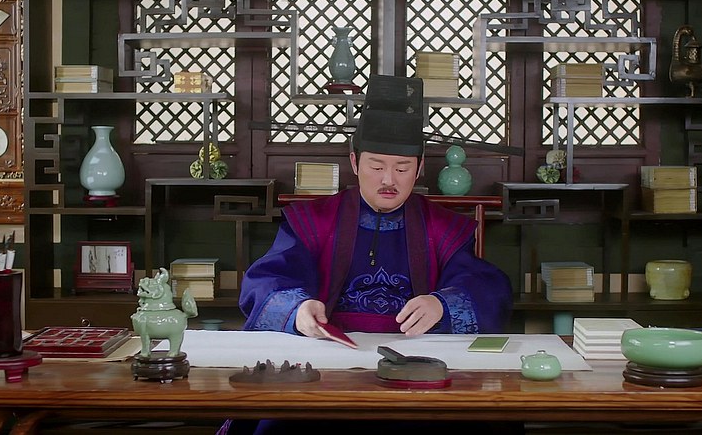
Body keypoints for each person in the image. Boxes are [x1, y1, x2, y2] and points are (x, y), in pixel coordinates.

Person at [220, 75, 515, 435]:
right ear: (355, 162)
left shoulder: (441, 227)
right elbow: (266, 281)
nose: (389, 180)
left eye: (402, 168)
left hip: (419, 367)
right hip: (326, 366)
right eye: (376, 167)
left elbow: (487, 286)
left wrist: (442, 304)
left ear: (420, 167)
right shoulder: (315, 221)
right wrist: (298, 311)